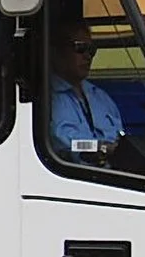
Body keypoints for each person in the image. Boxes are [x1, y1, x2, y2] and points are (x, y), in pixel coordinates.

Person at [48, 28, 125, 160]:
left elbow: (121, 139)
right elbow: (65, 144)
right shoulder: (45, 97)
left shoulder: (101, 97)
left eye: (91, 50)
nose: (87, 56)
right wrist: (100, 148)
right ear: (57, 52)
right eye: (80, 48)